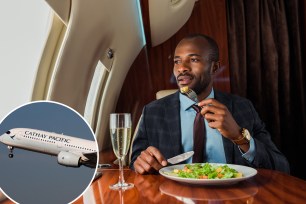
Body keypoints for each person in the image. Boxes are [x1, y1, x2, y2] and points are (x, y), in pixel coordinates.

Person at [130, 33, 290, 174]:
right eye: (177, 61)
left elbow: (281, 167)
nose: (182, 68)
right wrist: (141, 163)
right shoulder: (153, 112)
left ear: (214, 68)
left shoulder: (243, 108)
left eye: (193, 60)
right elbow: (135, 163)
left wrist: (238, 136)